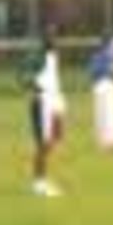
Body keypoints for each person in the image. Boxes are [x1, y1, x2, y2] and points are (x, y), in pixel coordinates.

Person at [22, 27, 66, 197]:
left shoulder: (53, 55)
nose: (55, 39)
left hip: (54, 100)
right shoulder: (38, 55)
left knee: (57, 136)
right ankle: (39, 183)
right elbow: (22, 74)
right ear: (45, 40)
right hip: (43, 102)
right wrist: (35, 88)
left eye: (55, 36)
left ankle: (41, 177)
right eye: (51, 36)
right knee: (43, 143)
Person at [88, 34, 113, 150]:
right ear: (108, 44)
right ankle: (111, 141)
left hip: (98, 86)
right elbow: (112, 72)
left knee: (100, 114)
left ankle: (101, 141)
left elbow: (92, 74)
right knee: (111, 114)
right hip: (108, 86)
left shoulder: (96, 55)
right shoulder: (109, 56)